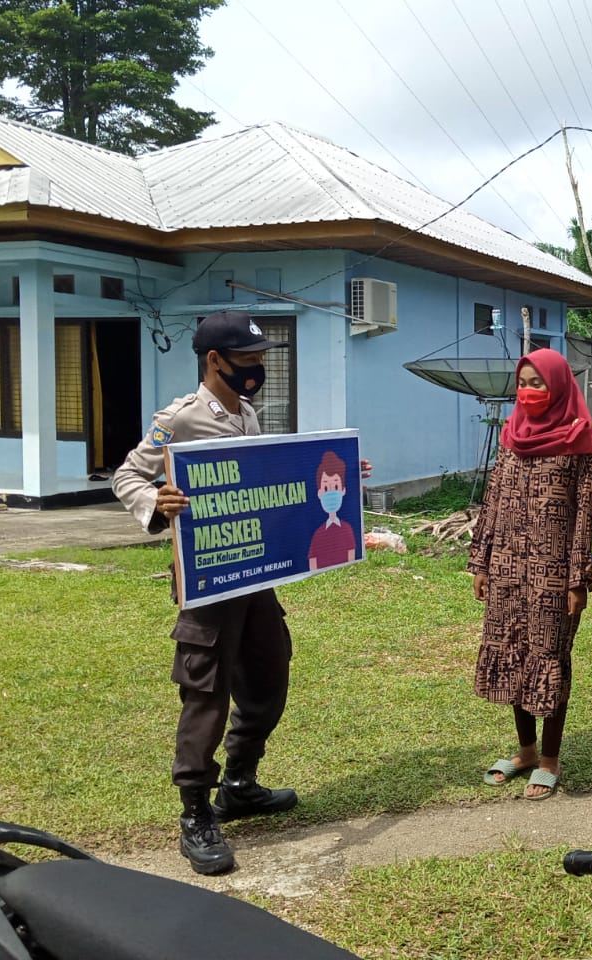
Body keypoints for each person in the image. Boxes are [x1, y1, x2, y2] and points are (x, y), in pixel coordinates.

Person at [114, 310, 370, 875]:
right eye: (249, 361)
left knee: (269, 676)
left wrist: (342, 474)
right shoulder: (178, 420)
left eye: (260, 359)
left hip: (255, 576)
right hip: (208, 583)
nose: (257, 370)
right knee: (205, 691)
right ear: (215, 361)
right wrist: (156, 502)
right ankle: (196, 812)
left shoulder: (248, 413)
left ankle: (240, 783)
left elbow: (269, 478)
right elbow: (127, 474)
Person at [469, 348, 592, 801]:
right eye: (523, 381)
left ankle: (550, 758)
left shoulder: (580, 438)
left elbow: (586, 513)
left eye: (538, 382)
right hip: (507, 567)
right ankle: (525, 751)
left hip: (552, 573)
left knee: (549, 657)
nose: (529, 390)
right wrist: (482, 561)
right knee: (511, 654)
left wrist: (576, 578)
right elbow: (491, 500)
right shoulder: (511, 435)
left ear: (558, 385)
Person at [309, 449, 357, 569]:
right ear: (319, 493)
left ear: (343, 490)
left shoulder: (347, 530)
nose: (330, 492)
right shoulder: (318, 534)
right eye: (325, 487)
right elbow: (312, 564)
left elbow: (352, 560)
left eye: (335, 486)